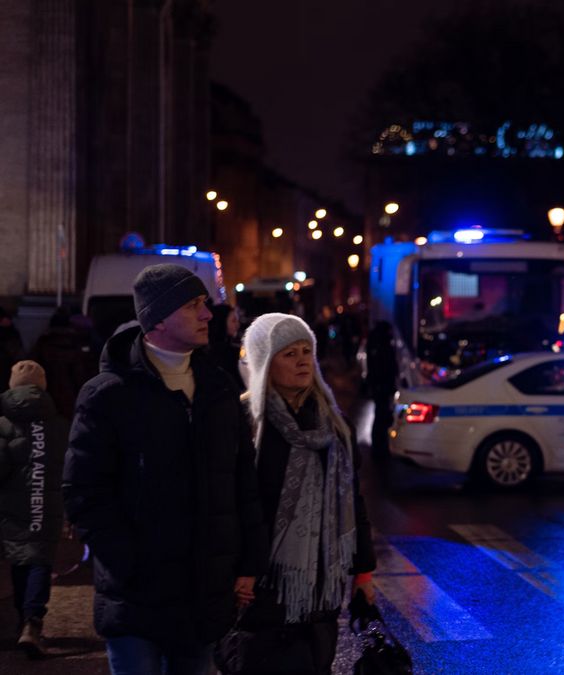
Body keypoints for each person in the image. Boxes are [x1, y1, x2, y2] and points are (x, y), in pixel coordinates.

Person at [63, 264, 266, 674]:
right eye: (194, 305)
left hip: (202, 599)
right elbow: (83, 492)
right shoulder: (109, 394)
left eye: (205, 305)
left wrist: (248, 564)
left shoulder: (218, 388)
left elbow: (243, 483)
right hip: (136, 600)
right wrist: (129, 563)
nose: (208, 314)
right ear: (157, 317)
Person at [221, 313, 376, 674]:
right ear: (264, 361)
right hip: (261, 584)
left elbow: (353, 501)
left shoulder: (335, 425)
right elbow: (227, 506)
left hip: (321, 587)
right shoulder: (243, 422)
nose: (303, 360)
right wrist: (233, 569)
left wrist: (364, 572)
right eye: (289, 354)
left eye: (307, 351)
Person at [0, 361, 67, 657]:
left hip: (12, 505)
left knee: (19, 559)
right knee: (40, 558)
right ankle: (33, 621)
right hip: (47, 502)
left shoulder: (4, 425)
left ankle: (21, 621)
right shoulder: (59, 426)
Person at [29, 308, 97, 419]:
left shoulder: (42, 345)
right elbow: (83, 376)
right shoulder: (77, 344)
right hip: (72, 403)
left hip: (46, 401)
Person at [365, 321, 400, 456]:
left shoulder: (376, 342)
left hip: (380, 385)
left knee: (381, 413)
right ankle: (379, 445)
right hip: (382, 386)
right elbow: (386, 366)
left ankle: (379, 444)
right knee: (381, 414)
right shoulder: (382, 344)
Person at [208, 304, 245, 391]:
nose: (238, 325)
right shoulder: (223, 352)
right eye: (233, 321)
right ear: (222, 322)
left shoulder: (231, 348)